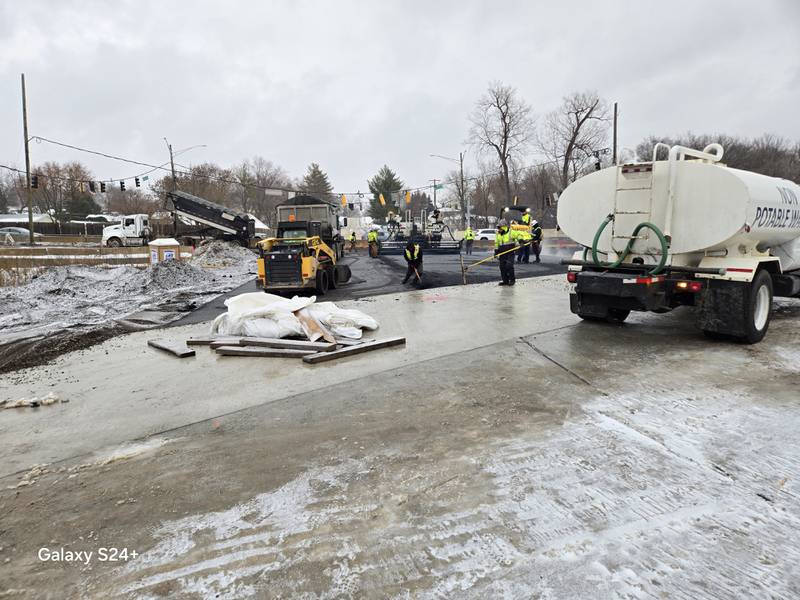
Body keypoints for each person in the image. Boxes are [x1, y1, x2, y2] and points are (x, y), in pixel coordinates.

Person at [495, 219, 519, 286]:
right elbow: (496, 243)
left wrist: (521, 241)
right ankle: (505, 281)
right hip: (502, 253)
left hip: (510, 252)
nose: (498, 229)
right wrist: (496, 251)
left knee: (509, 265)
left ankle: (512, 280)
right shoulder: (498, 234)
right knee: (502, 267)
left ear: (504, 227)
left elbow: (518, 236)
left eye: (499, 227)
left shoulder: (511, 232)